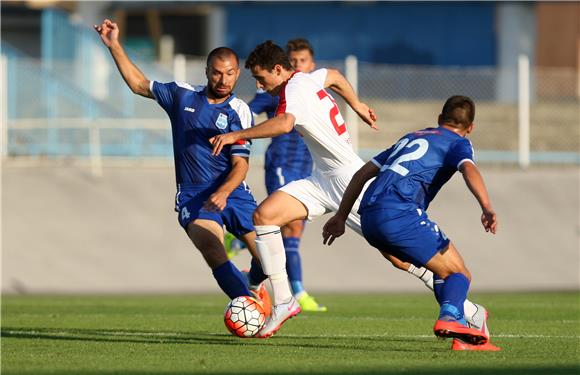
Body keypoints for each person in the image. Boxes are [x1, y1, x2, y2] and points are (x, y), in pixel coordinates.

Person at [210, 41, 491, 340]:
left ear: (278, 70)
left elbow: (284, 124)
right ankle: (284, 301)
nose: (259, 84)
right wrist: (355, 104)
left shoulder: (293, 90)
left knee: (398, 257)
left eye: (261, 77)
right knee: (264, 216)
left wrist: (235, 135)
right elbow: (333, 76)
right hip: (321, 179)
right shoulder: (307, 78)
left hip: (348, 181)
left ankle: (470, 312)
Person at [93, 19, 270, 311]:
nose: (223, 80)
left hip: (233, 192)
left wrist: (225, 192)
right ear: (207, 72)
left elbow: (241, 165)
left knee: (269, 259)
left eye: (229, 74)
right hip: (194, 194)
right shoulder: (182, 95)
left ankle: (252, 281)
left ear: (237, 74)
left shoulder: (240, 112)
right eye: (216, 73)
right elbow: (138, 84)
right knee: (213, 250)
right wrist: (114, 45)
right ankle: (249, 309)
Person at [323, 95, 500, 351]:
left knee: (442, 271)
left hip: (369, 216)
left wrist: (341, 216)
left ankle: (464, 336)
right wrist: (486, 206)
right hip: (400, 213)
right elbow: (469, 169)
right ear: (470, 127)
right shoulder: (459, 143)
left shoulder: (411, 137)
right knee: (459, 273)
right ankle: (451, 318)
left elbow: (362, 174)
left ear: (440, 119)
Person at [247, 38, 325, 312]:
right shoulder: (275, 89)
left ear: (311, 64)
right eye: (293, 61)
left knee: (290, 231)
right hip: (281, 162)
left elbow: (335, 77)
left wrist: (357, 104)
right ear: (282, 66)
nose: (297, 65)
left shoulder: (310, 87)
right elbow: (248, 110)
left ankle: (253, 275)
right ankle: (296, 292)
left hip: (306, 166)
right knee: (281, 223)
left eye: (302, 61)